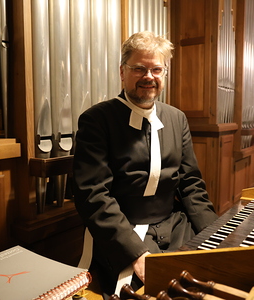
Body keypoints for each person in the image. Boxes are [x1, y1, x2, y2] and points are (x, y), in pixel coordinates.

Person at [73, 31, 218, 297]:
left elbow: (191, 186)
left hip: (175, 226)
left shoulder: (177, 118)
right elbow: (92, 196)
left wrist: (215, 235)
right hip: (121, 231)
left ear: (164, 74)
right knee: (151, 291)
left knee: (209, 279)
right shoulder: (96, 120)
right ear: (122, 72)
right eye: (139, 68)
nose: (148, 76)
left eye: (156, 69)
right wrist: (136, 253)